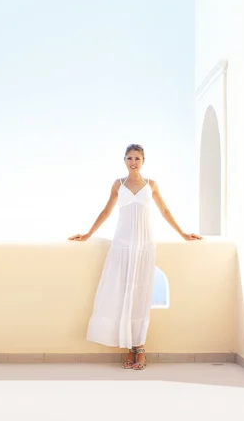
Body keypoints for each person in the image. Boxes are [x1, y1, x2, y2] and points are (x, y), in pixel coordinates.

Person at [68, 144, 202, 370]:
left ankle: (139, 349)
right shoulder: (118, 185)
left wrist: (183, 234)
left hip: (144, 245)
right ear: (124, 161)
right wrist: (88, 234)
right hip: (122, 244)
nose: (133, 162)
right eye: (130, 158)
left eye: (137, 158)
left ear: (143, 161)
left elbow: (165, 211)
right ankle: (129, 347)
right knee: (121, 294)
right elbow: (106, 211)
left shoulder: (152, 185)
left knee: (140, 295)